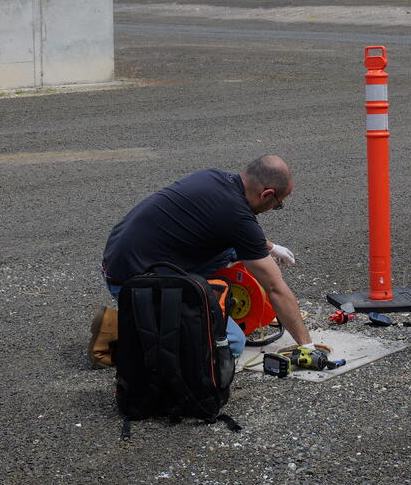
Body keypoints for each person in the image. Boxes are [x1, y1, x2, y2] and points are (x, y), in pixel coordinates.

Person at [97, 155, 313, 366]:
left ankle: (196, 309)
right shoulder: (237, 216)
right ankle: (123, 331)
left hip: (122, 259)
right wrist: (307, 347)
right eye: (278, 204)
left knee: (230, 248)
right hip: (135, 284)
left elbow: (241, 233)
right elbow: (275, 288)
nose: (275, 209)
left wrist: (272, 248)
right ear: (266, 194)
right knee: (232, 345)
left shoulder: (213, 177)